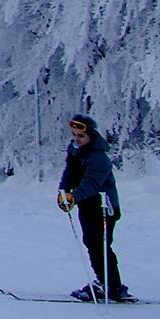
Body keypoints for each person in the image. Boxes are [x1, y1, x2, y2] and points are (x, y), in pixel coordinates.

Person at [58, 115, 129, 301]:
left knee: (100, 245)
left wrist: (74, 196)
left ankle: (111, 286)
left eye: (81, 136)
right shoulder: (76, 152)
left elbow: (92, 184)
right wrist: (63, 191)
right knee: (92, 243)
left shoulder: (98, 158)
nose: (76, 139)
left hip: (104, 206)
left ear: (91, 136)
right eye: (74, 135)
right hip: (87, 204)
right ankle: (105, 282)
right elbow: (70, 173)